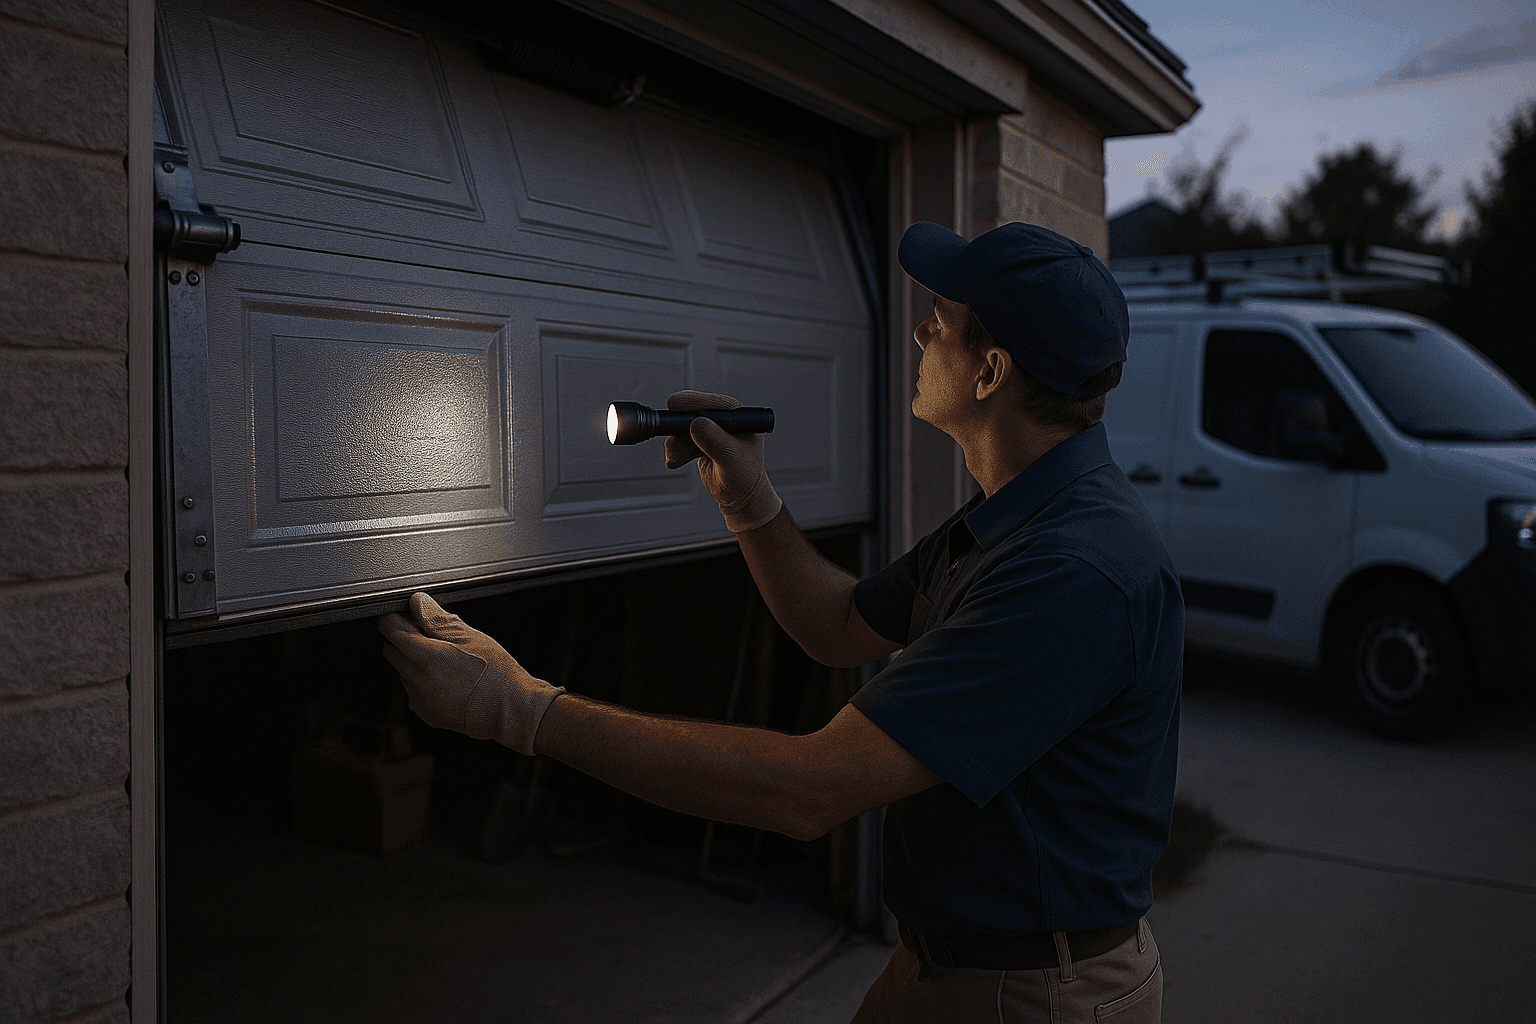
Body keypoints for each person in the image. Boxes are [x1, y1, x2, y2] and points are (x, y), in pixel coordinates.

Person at [378, 220, 1183, 1023]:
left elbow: (810, 789)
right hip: (947, 964)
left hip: (1035, 993)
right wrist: (748, 497)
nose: (919, 330)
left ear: (991, 371)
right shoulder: (1014, 519)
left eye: (940, 320)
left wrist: (516, 709)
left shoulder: (1069, 572)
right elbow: (838, 624)